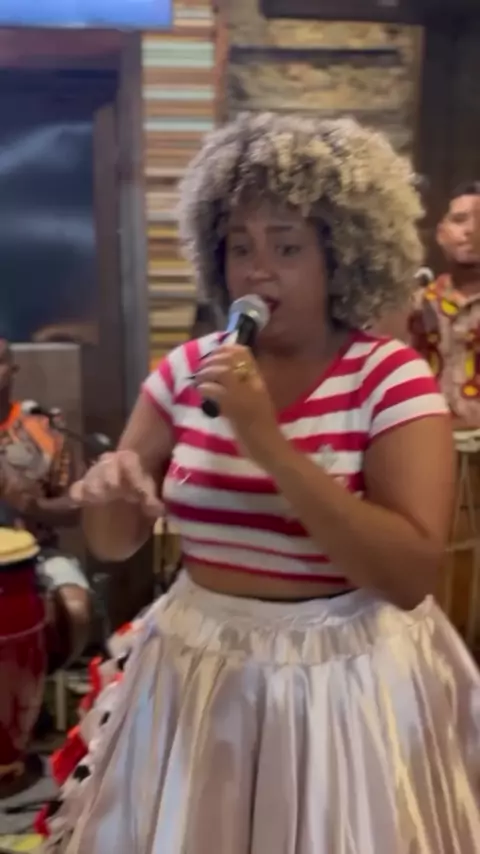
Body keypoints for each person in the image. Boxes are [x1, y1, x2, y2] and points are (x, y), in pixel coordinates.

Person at [40, 115, 480, 853]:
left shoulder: (389, 379)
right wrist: (112, 492)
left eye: (286, 246)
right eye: (239, 247)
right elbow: (115, 543)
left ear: (341, 256)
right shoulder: (188, 371)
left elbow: (408, 574)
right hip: (197, 672)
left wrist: (267, 442)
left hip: (343, 682)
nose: (257, 271)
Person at [0, 338, 91, 672]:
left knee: (75, 611)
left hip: (35, 555)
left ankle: (37, 681)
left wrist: (27, 503)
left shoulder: (43, 429)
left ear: (12, 370)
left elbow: (75, 508)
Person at [379, 182, 480, 427]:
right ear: (440, 234)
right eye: (459, 220)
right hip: (428, 440)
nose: (470, 230)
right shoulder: (414, 303)